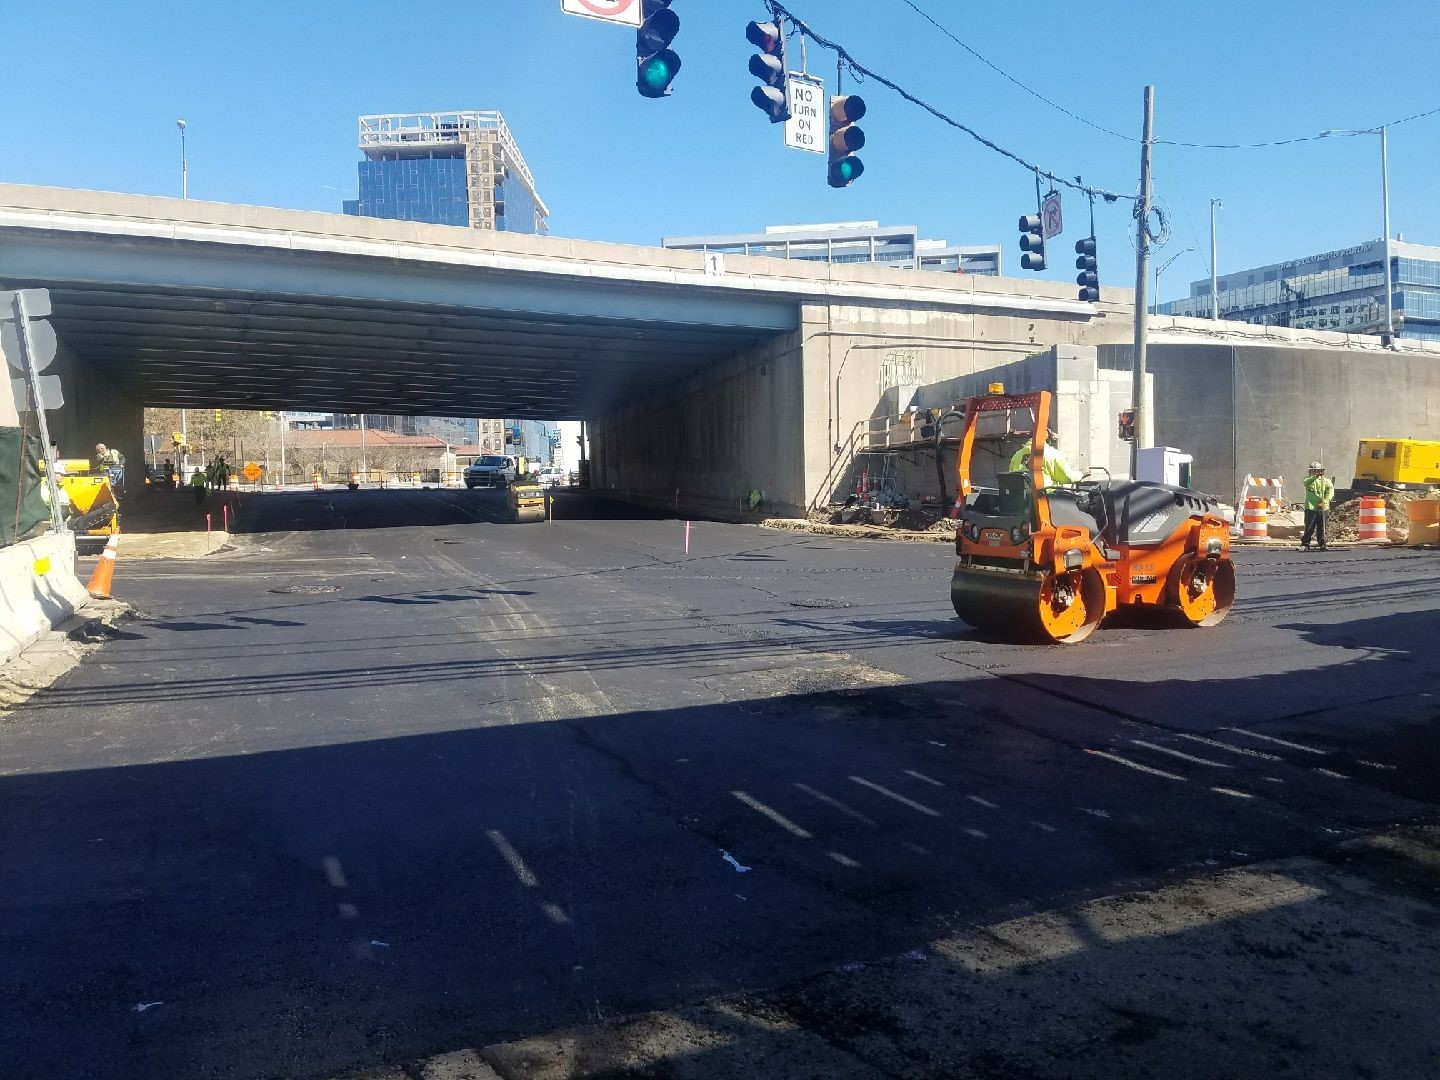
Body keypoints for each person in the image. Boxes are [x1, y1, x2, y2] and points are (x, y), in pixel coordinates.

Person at [1009, 429, 1086, 489]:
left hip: (1021, 500)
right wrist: (1082, 473)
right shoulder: (1054, 454)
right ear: (1048, 439)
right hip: (1046, 498)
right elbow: (1067, 478)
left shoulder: (1017, 455)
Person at [1301, 461, 1336, 551]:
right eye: (1313, 471)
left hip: (1323, 507)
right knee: (1309, 527)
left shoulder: (1326, 481)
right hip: (1311, 507)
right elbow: (1306, 483)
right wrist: (1316, 476)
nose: (1314, 472)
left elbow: (1330, 491)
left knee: (1322, 527)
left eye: (1316, 471)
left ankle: (1322, 543)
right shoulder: (1307, 480)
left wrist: (1325, 500)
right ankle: (1305, 544)